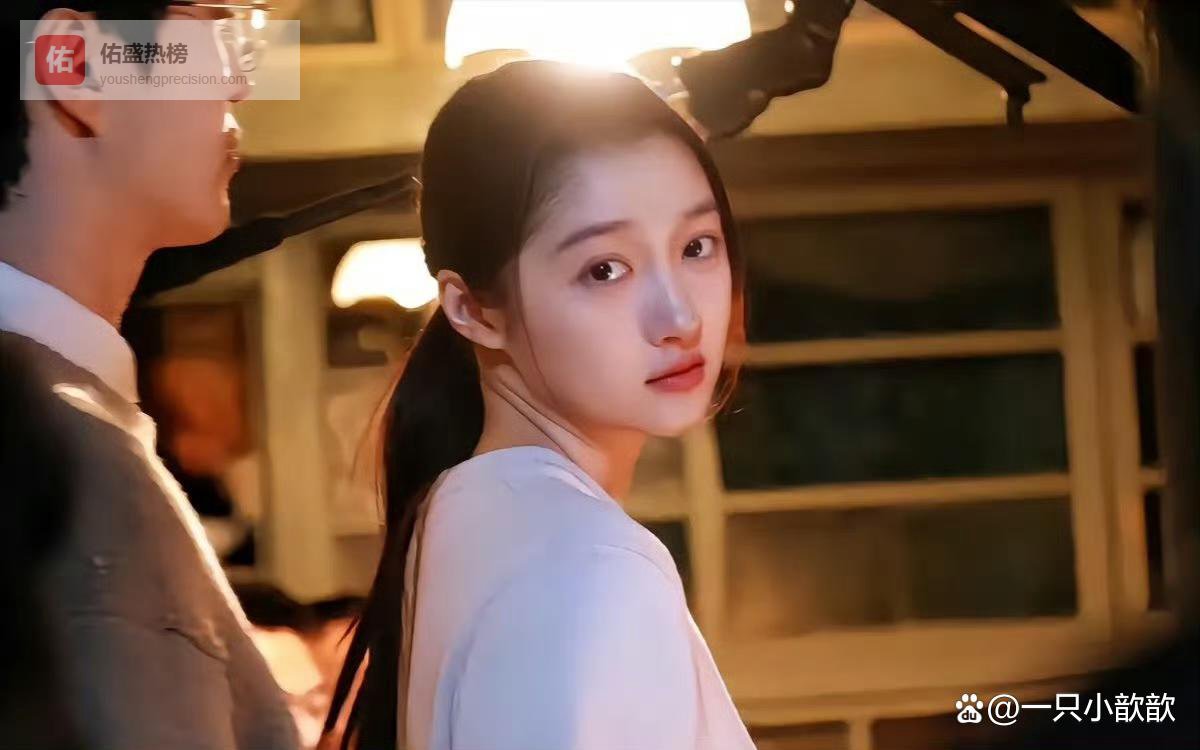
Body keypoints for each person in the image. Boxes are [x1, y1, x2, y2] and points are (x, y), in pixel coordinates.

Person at [326, 60, 757, 750]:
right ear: (472, 310)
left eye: (696, 246)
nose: (681, 317)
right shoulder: (589, 565)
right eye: (605, 269)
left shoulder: (465, 511)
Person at [0, 2, 297, 748]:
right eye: (218, 26)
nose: (241, 81)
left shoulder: (71, 415)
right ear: (75, 67)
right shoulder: (48, 442)